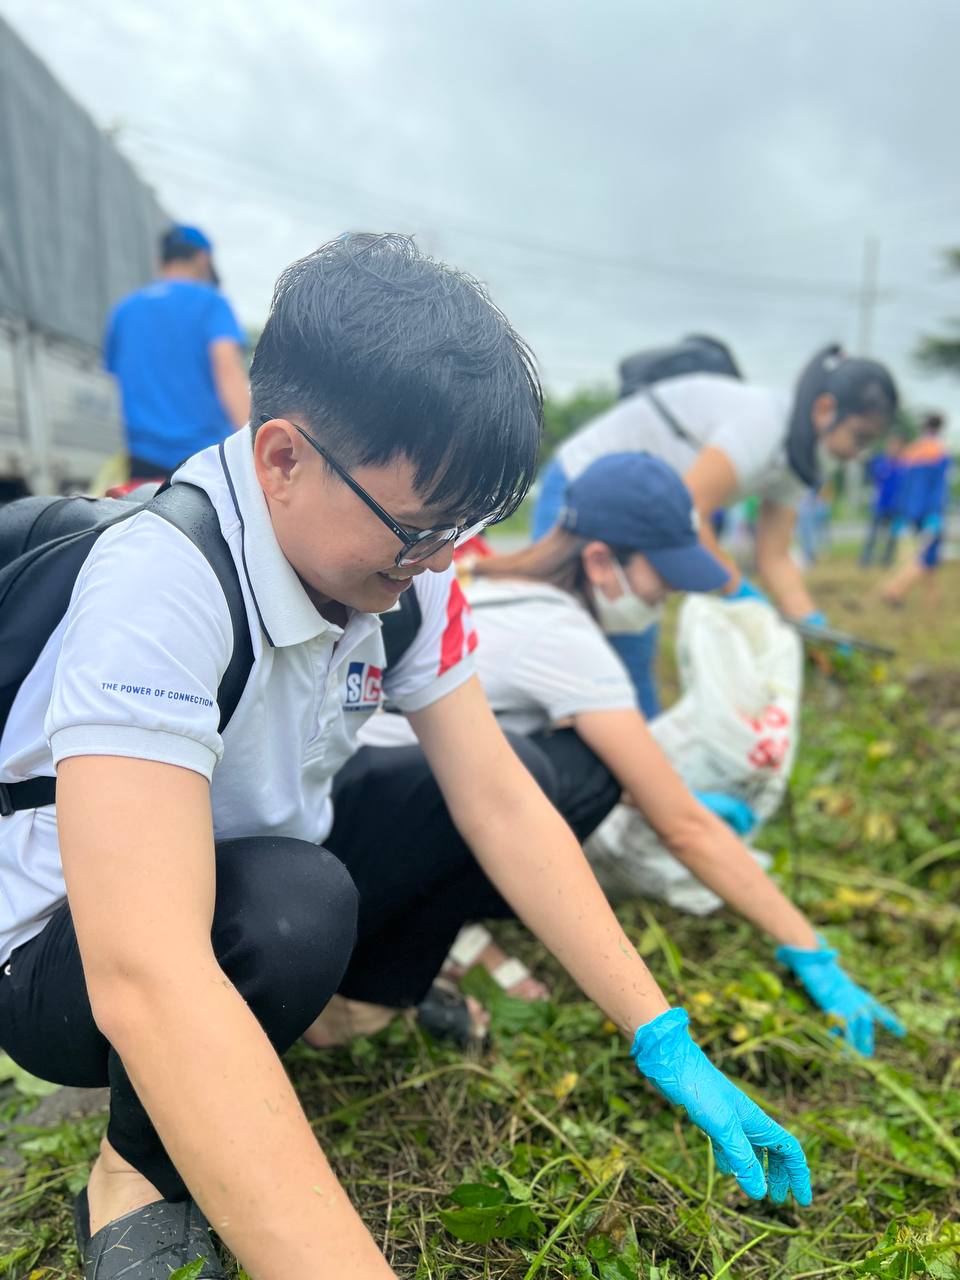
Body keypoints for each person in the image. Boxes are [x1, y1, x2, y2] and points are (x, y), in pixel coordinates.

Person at [0, 235, 810, 1280]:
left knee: (535, 777)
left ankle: (337, 1003)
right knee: (297, 908)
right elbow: (145, 970)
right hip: (67, 952)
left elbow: (499, 804)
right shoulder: (164, 580)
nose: (438, 562)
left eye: (461, 530)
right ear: (283, 458)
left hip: (238, 853)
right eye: (420, 529)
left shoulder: (406, 578)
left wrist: (661, 1031)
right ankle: (132, 1167)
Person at [363, 452, 905, 1057]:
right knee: (584, 772)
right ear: (599, 560)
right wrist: (809, 949)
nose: (667, 595)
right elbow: (684, 827)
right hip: (384, 834)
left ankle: (447, 926)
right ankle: (430, 929)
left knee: (577, 765)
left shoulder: (491, 582)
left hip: (365, 798)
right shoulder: (565, 637)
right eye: (662, 576)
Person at [532, 345, 899, 716]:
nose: (859, 454)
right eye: (859, 437)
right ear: (825, 409)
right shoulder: (763, 427)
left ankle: (636, 762)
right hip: (582, 484)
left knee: (632, 652)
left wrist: (814, 629)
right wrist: (737, 591)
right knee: (569, 636)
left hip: (640, 513)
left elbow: (774, 557)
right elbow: (692, 516)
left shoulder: (799, 460)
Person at [104, 224, 250, 481]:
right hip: (202, 462)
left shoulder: (125, 310)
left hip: (142, 461)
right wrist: (253, 440)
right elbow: (228, 374)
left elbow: (118, 376)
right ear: (204, 258)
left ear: (161, 260)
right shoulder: (213, 305)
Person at [881, 414, 952, 606]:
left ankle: (932, 599)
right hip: (930, 512)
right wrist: (935, 513)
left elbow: (902, 486)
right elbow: (938, 489)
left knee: (929, 556)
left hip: (908, 512)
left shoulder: (911, 451)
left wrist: (900, 513)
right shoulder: (939, 452)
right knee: (924, 557)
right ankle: (894, 591)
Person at [860, 434, 905, 567]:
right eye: (892, 445)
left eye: (897, 445)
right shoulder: (879, 461)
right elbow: (867, 472)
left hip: (897, 507)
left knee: (893, 536)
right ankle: (866, 560)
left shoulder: (904, 464)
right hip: (879, 506)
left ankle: (887, 560)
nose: (894, 448)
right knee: (873, 534)